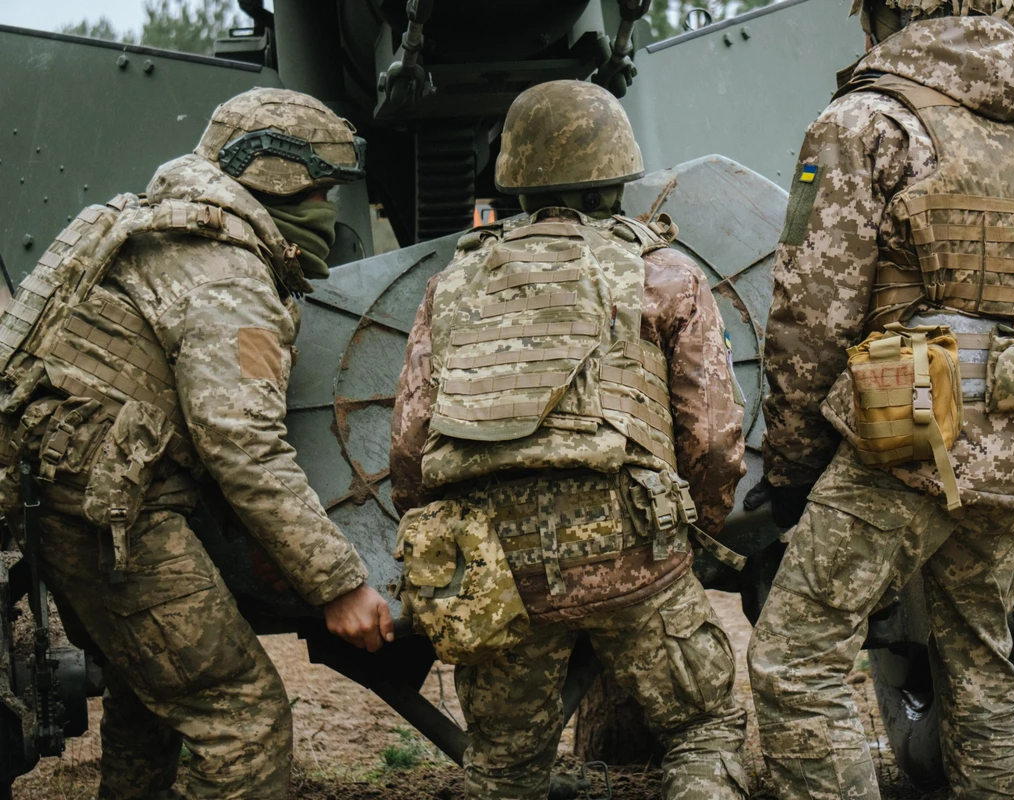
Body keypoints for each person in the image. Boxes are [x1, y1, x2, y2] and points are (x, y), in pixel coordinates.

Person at [0, 88, 394, 799]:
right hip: (112, 516)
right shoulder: (228, 274)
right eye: (322, 190)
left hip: (67, 499)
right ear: (279, 179)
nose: (328, 209)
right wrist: (340, 583)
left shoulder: (154, 228)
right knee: (243, 719)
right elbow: (242, 444)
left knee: (149, 695)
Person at [746, 1, 1014, 798]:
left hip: (909, 432)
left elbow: (810, 314)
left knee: (794, 660)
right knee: (980, 661)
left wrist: (793, 469)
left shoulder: (864, 123)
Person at [389, 79, 749, 800]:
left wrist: (447, 537)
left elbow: (410, 445)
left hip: (498, 558)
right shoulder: (663, 276)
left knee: (504, 771)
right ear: (617, 178)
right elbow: (711, 438)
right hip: (631, 547)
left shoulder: (453, 284)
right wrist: (692, 531)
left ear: (516, 182)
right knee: (703, 732)